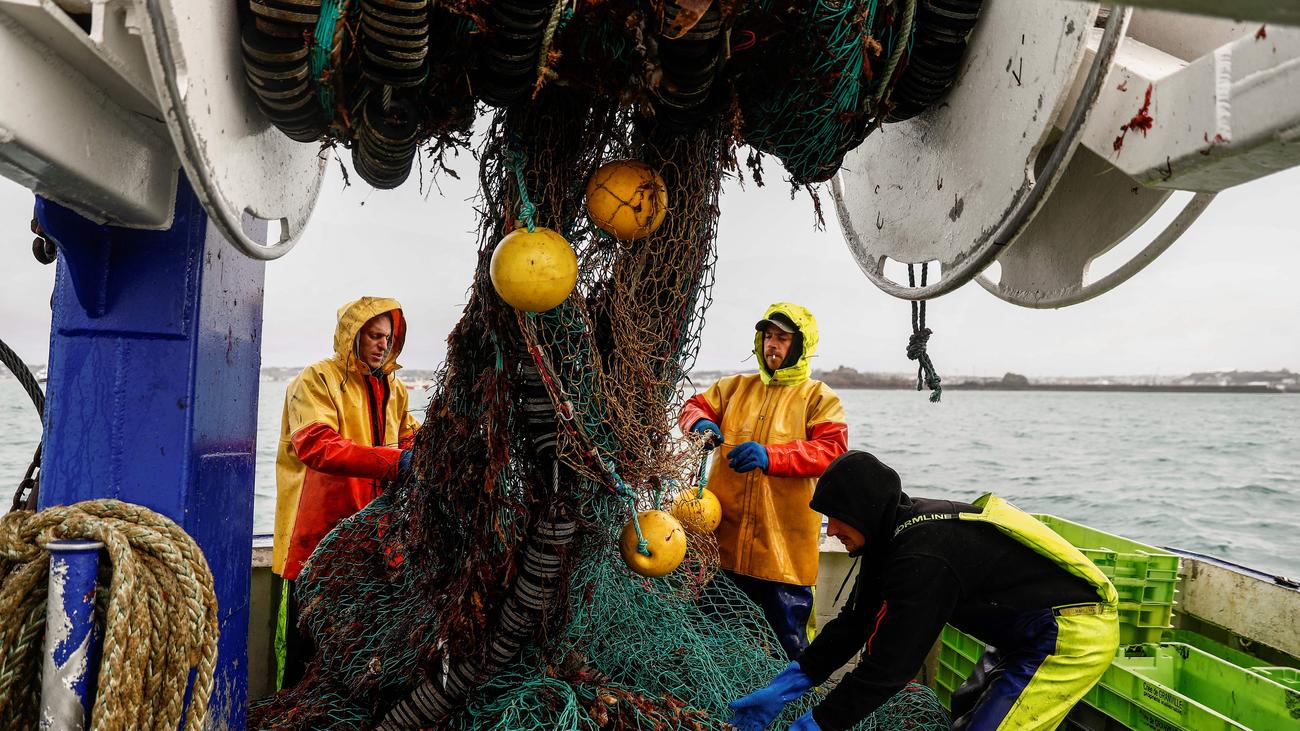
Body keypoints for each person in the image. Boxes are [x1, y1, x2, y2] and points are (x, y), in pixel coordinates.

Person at [727, 450, 1120, 731]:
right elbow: (855, 622)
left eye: (838, 517)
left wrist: (818, 723)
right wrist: (787, 684)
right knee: (965, 711)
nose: (833, 530)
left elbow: (890, 668)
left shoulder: (923, 556)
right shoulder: (889, 536)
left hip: (1070, 631)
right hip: (1018, 632)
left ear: (864, 511)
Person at [678, 302, 848, 659]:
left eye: (782, 338)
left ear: (800, 344)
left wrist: (772, 457)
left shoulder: (820, 397)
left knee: (788, 648)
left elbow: (832, 451)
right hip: (721, 550)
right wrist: (701, 423)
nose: (772, 344)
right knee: (707, 644)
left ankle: (795, 695)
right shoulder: (733, 387)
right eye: (768, 336)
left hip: (784, 556)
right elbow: (692, 407)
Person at [271, 296, 421, 688]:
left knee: (353, 653)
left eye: (388, 338)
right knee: (301, 651)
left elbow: (409, 438)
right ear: (351, 335)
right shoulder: (316, 379)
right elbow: (317, 445)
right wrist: (397, 463)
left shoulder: (395, 389)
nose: (383, 345)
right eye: (374, 336)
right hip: (313, 542)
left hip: (370, 543)